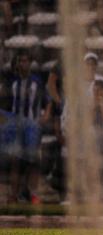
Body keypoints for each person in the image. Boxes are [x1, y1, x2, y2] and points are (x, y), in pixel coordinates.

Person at [8, 50, 51, 204]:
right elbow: (8, 106)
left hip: (32, 128)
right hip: (16, 128)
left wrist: (45, 116)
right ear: (17, 63)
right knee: (16, 162)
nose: (23, 63)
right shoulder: (12, 82)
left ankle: (33, 194)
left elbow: (48, 101)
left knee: (33, 162)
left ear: (30, 63)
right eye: (20, 61)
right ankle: (14, 195)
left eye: (25, 60)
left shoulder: (37, 82)